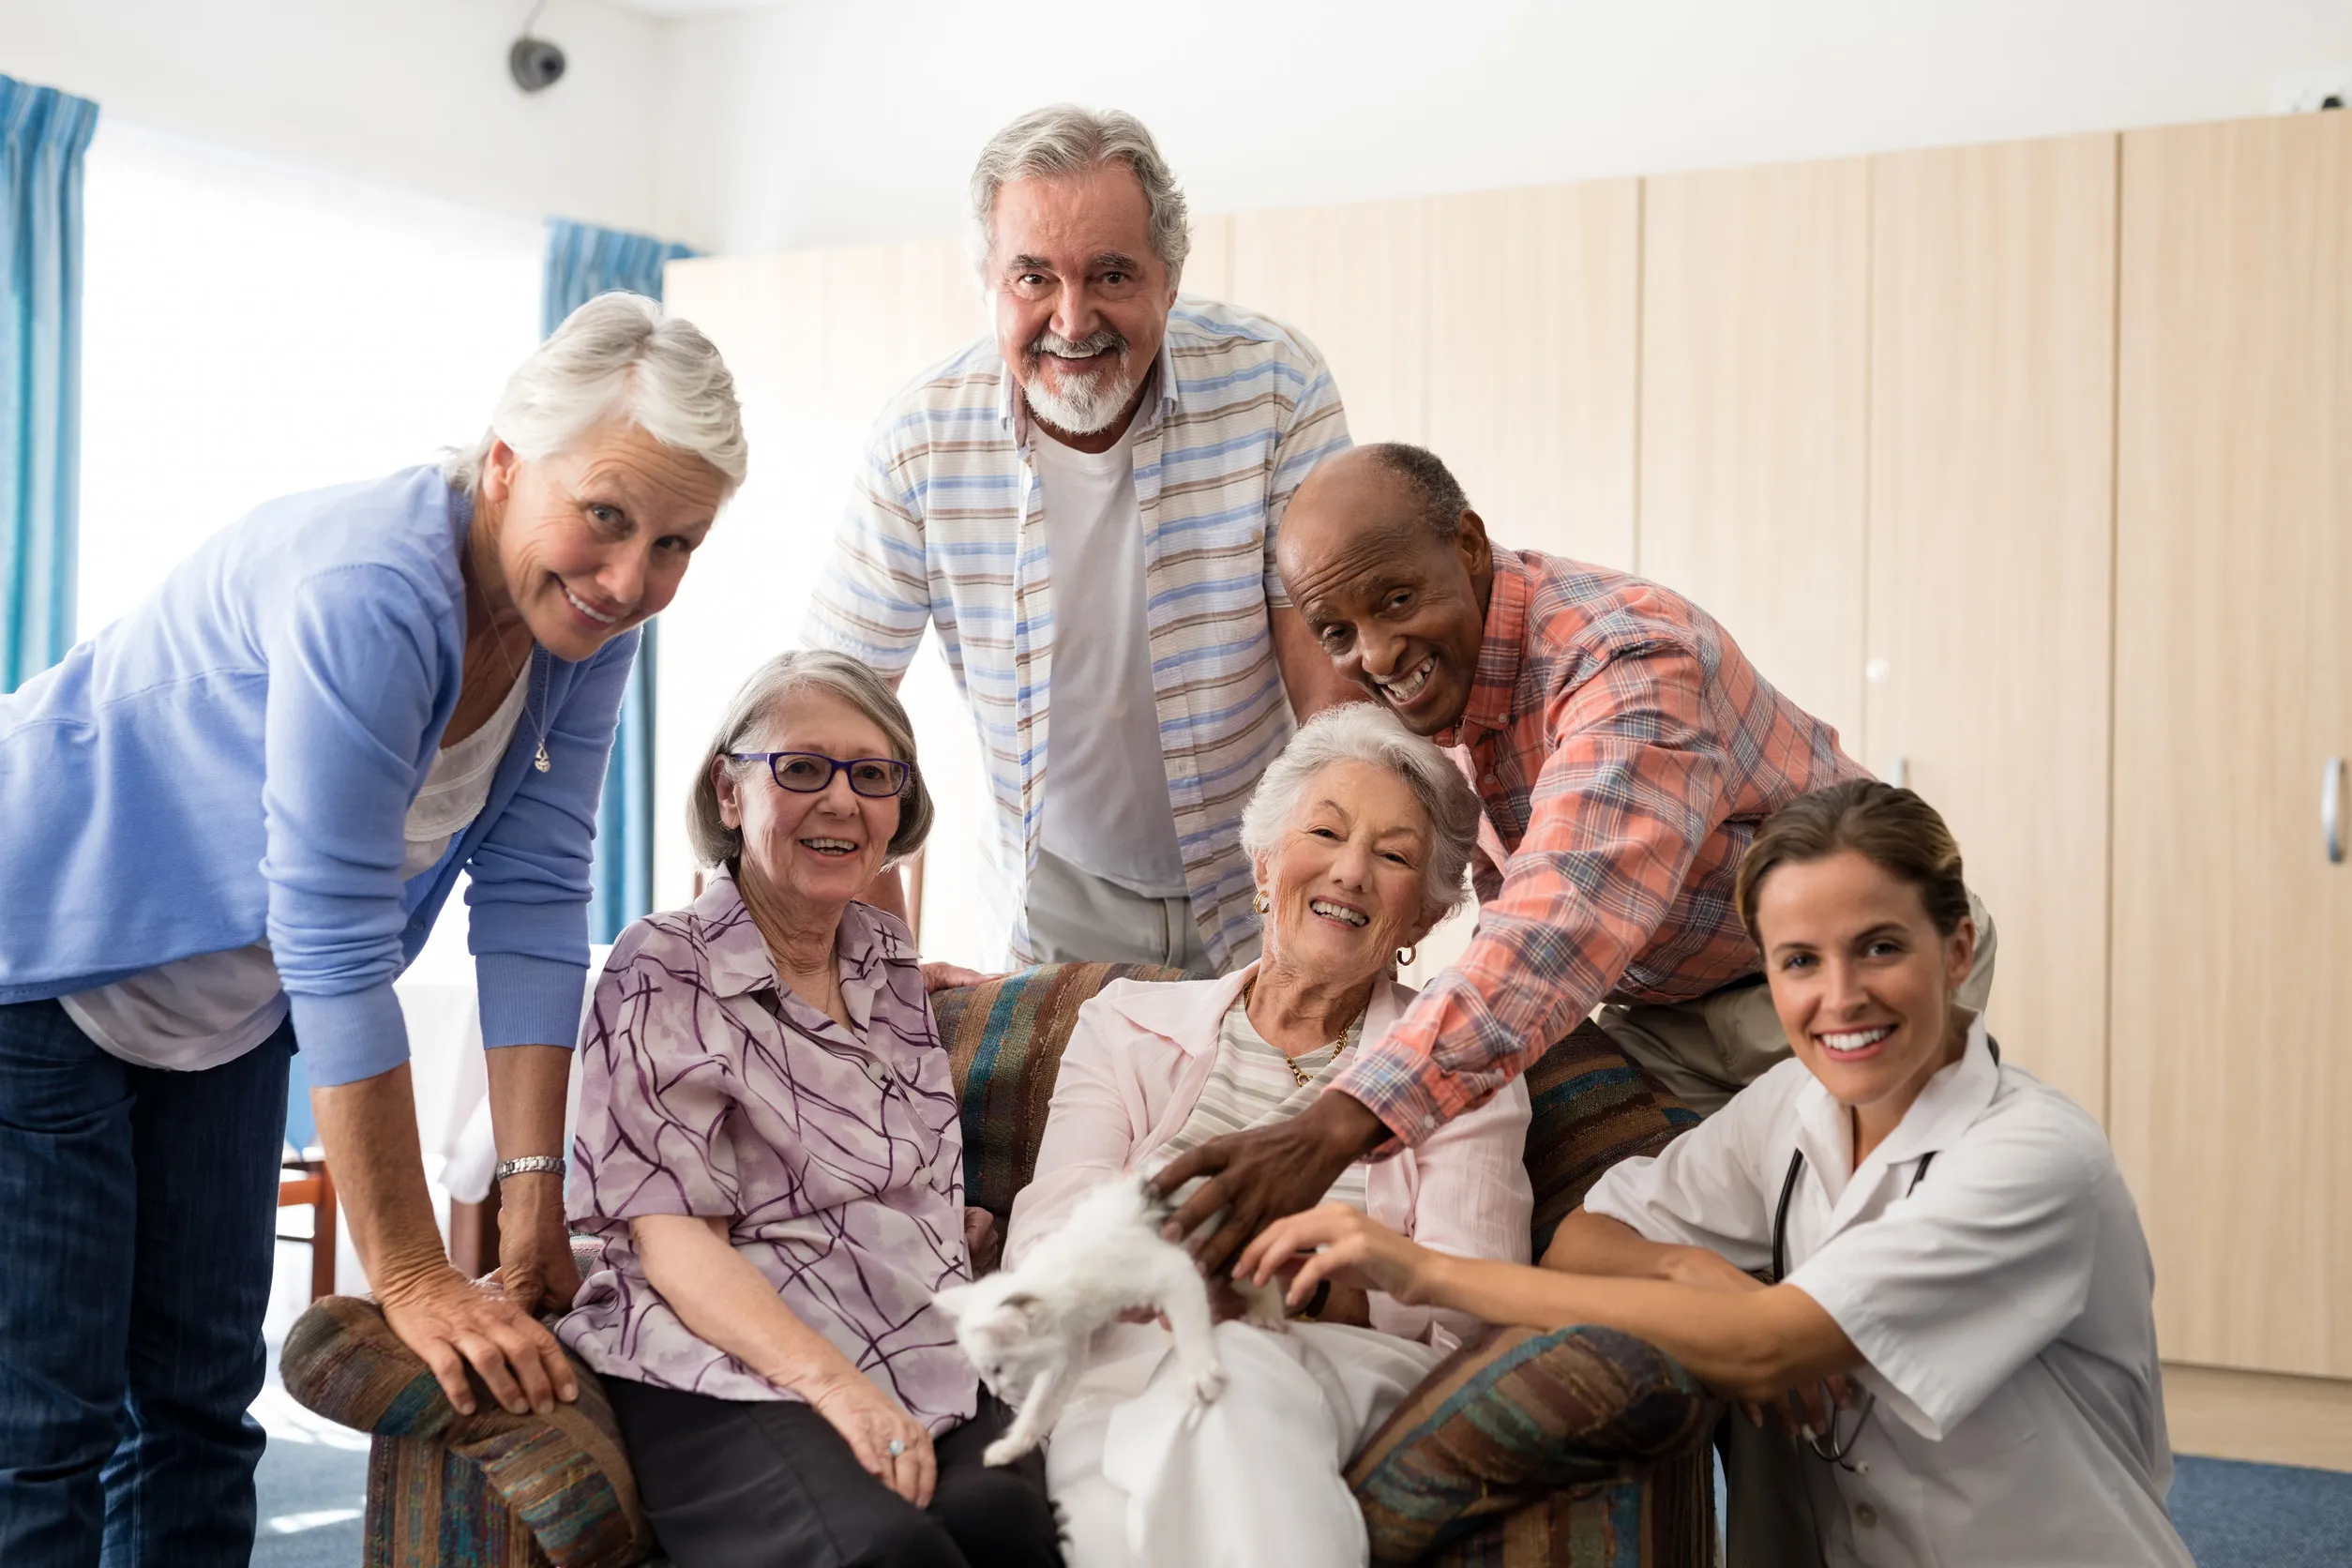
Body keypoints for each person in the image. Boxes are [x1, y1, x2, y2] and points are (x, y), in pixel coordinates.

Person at [0, 294, 742, 1567]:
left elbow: (536, 889)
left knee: (196, 1404)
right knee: (48, 1420)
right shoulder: (372, 589)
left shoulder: (582, 621)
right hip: (39, 967)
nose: (634, 579)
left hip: (225, 1015)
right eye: (607, 516)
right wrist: (411, 1274)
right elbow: (335, 935)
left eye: (677, 543)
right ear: (506, 461)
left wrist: (532, 1194)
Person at [1242, 779, 2194, 1568]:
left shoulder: (2033, 1158)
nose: (1840, 996)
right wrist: (1690, 1269)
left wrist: (1419, 1267)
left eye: (1881, 947)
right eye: (1798, 962)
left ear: (1956, 950)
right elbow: (1586, 1238)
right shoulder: (1792, 1110)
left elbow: (1768, 1347)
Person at [1157, 442, 1995, 1269]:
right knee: (1618, 1254)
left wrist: (1331, 1127)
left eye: (1399, 599)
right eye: (1338, 631)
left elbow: (1556, 925)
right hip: (1664, 1011)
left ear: (1471, 546)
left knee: (1838, 1268)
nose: (1373, 657)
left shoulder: (1629, 660)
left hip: (1839, 975)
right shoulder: (1430, 700)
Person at [804, 103, 1357, 976]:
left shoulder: (1275, 385)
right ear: (989, 280)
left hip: (1271, 862)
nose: (1072, 319)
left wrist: (1334, 910)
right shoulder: (920, 442)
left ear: (1169, 280)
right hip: (1058, 890)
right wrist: (889, 979)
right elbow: (830, 716)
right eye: (1033, 278)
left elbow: (1331, 686)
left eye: (1110, 275)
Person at [557, 650, 1059, 1568]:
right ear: (729, 792)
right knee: (881, 1552)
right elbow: (672, 1242)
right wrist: (841, 1392)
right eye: (801, 767)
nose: (841, 800)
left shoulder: (884, 961)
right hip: (726, 1357)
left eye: (872, 775)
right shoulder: (663, 966)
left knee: (1012, 1526)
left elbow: (899, 1177)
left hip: (908, 1333)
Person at [1003, 705, 1531, 1568]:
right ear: (1265, 862)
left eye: (1394, 856)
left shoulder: (1460, 1068)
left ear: (1425, 918)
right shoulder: (1126, 1023)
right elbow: (1044, 1232)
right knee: (1101, 1516)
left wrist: (1300, 1290)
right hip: (1126, 1349)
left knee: (1232, 1379)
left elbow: (1475, 1307)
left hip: (1334, 1359)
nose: (1353, 871)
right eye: (1325, 831)